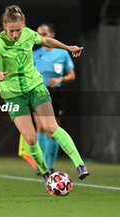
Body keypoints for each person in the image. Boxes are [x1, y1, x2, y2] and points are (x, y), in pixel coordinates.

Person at [0, 5, 89, 189]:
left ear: (23, 24)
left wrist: (68, 48)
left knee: (51, 126)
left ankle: (80, 164)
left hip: (35, 87)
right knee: (31, 139)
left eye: (18, 30)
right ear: (4, 27)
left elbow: (47, 41)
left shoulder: (28, 34)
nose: (16, 34)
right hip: (13, 95)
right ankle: (46, 173)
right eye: (12, 31)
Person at [32, 23, 76, 174]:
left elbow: (72, 75)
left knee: (53, 129)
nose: (41, 36)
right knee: (40, 127)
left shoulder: (62, 53)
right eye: (38, 34)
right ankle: (42, 163)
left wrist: (60, 80)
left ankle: (50, 164)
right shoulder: (34, 54)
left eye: (44, 33)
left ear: (52, 35)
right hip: (38, 93)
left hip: (56, 93)